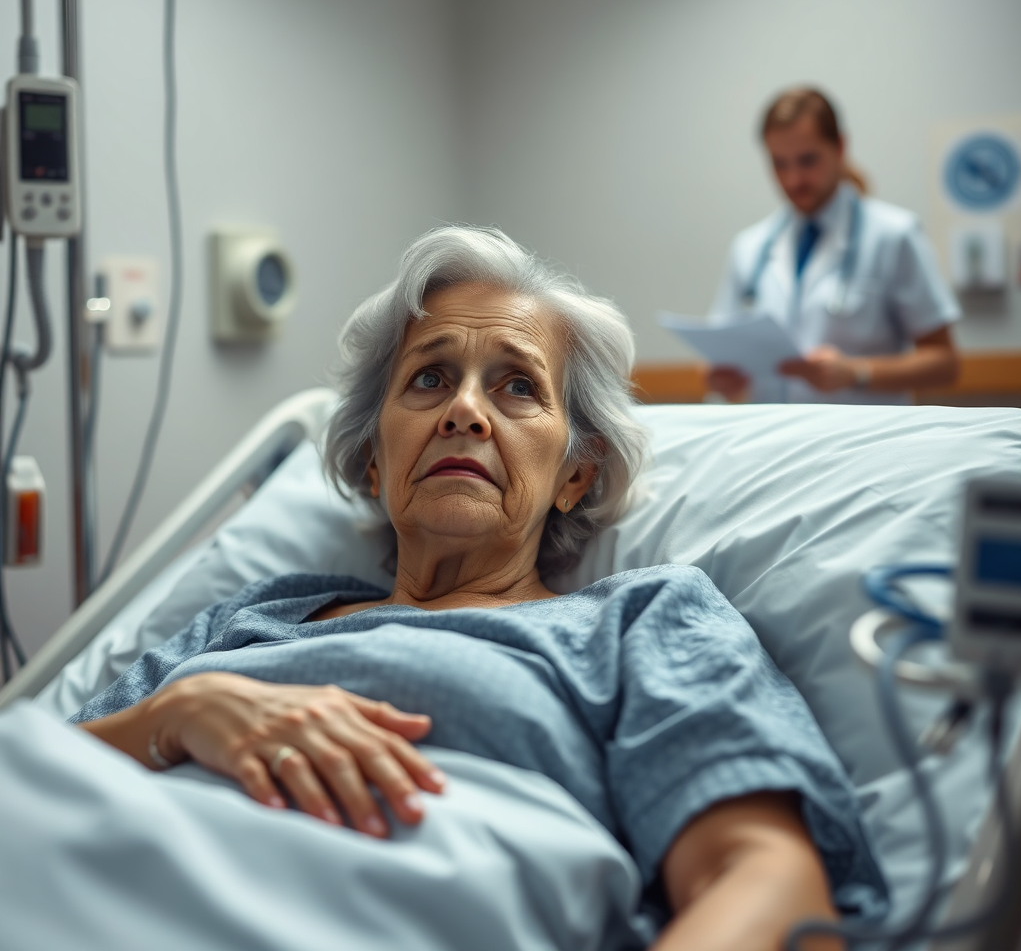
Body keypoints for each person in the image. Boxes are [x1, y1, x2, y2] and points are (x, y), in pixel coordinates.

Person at [73, 226, 886, 949]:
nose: (464, 410)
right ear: (371, 459)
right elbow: (33, 775)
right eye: (428, 379)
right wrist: (173, 717)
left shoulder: (640, 621)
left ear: (577, 474)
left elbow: (768, 886)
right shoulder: (256, 617)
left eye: (518, 386)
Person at [708, 87, 960, 404]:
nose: (793, 180)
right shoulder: (749, 248)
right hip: (773, 445)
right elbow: (721, 348)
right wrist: (722, 379)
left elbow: (945, 363)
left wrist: (856, 373)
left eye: (808, 161)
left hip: (859, 447)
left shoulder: (894, 235)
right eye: (779, 164)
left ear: (840, 147)